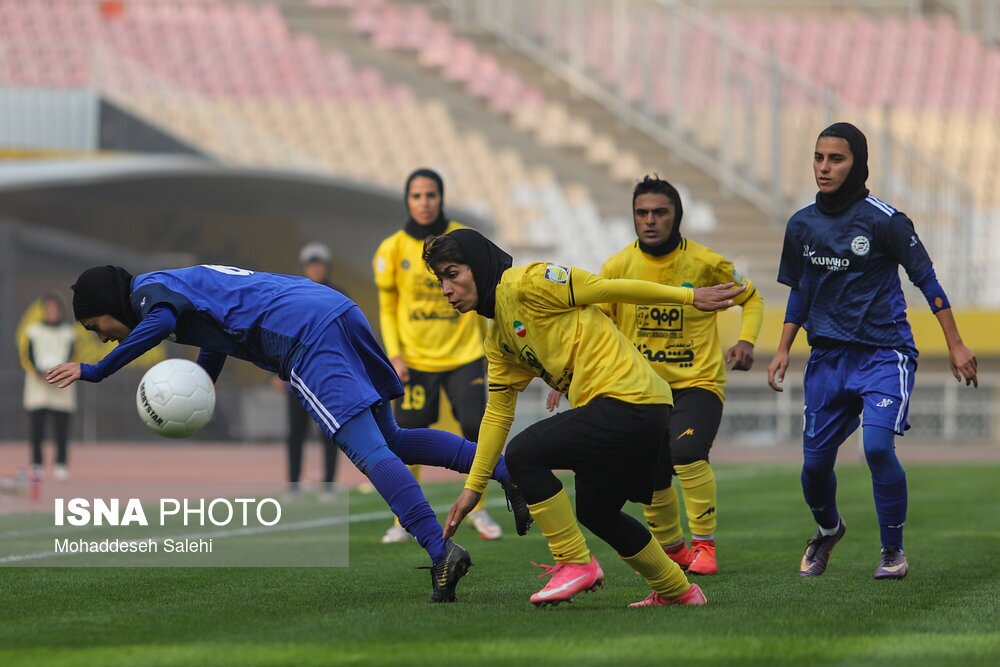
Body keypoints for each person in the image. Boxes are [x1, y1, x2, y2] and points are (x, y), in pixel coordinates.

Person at [46, 264, 531, 603]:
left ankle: (441, 550)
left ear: (111, 303)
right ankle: (511, 471)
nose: (102, 334)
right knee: (396, 440)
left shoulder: (149, 296)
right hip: (334, 308)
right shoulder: (174, 281)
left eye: (96, 324)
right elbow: (216, 335)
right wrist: (201, 387)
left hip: (300, 333)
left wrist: (97, 369)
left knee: (367, 452)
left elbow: (162, 321)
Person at [423, 229, 744, 607]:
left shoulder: (529, 282)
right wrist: (472, 489)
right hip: (641, 409)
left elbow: (608, 289)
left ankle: (574, 561)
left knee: (525, 453)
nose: (446, 288)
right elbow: (497, 412)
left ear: (477, 264)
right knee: (597, 511)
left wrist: (690, 297)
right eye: (440, 279)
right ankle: (679, 591)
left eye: (452, 274)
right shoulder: (497, 338)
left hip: (631, 402)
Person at [766, 122, 978, 580]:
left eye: (836, 159)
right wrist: (783, 347)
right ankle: (827, 530)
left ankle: (892, 552)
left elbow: (927, 280)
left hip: (885, 354)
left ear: (858, 163)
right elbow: (802, 289)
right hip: (826, 359)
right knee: (813, 469)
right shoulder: (801, 224)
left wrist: (956, 343)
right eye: (819, 158)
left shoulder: (886, 221)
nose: (824, 167)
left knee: (877, 448)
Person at [548, 175, 764, 576]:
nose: (650, 220)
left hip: (697, 382)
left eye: (659, 212)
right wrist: (568, 374)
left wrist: (747, 341)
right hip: (643, 391)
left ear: (676, 217)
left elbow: (750, 297)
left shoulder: (705, 263)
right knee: (651, 472)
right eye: (642, 213)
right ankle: (675, 550)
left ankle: (705, 546)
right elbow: (597, 328)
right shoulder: (617, 267)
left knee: (686, 453)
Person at [374, 168, 501, 542]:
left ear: (440, 197)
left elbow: (484, 294)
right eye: (417, 196)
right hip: (414, 360)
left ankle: (479, 509)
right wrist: (395, 356)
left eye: (430, 195)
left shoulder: (465, 239)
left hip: (464, 355)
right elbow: (387, 308)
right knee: (404, 439)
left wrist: (487, 350)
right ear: (407, 200)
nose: (424, 202)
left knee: (477, 431)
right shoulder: (392, 249)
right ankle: (405, 518)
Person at [277, 243, 340, 495]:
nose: (315, 269)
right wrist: (275, 370)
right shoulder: (291, 295)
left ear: (327, 267)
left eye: (319, 264)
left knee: (330, 433)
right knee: (295, 433)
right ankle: (293, 484)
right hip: (297, 376)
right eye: (311, 264)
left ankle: (329, 484)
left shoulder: (338, 296)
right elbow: (278, 335)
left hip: (327, 377)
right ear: (303, 268)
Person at [19, 293, 78, 481]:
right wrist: (39, 373)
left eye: (55, 309)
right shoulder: (32, 331)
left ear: (60, 311)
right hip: (38, 387)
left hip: (62, 386)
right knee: (37, 428)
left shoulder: (69, 332)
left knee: (61, 429)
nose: (52, 312)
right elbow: (27, 356)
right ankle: (37, 465)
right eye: (48, 309)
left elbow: (73, 355)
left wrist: (58, 373)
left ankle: (61, 464)